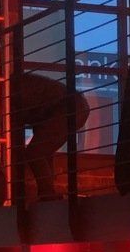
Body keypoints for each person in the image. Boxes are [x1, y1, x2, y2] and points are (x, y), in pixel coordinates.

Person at [13, 69, 91, 200]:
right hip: (69, 107)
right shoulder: (14, 87)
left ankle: (47, 194)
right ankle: (48, 193)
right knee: (42, 152)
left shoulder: (9, 92)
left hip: (68, 108)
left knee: (35, 152)